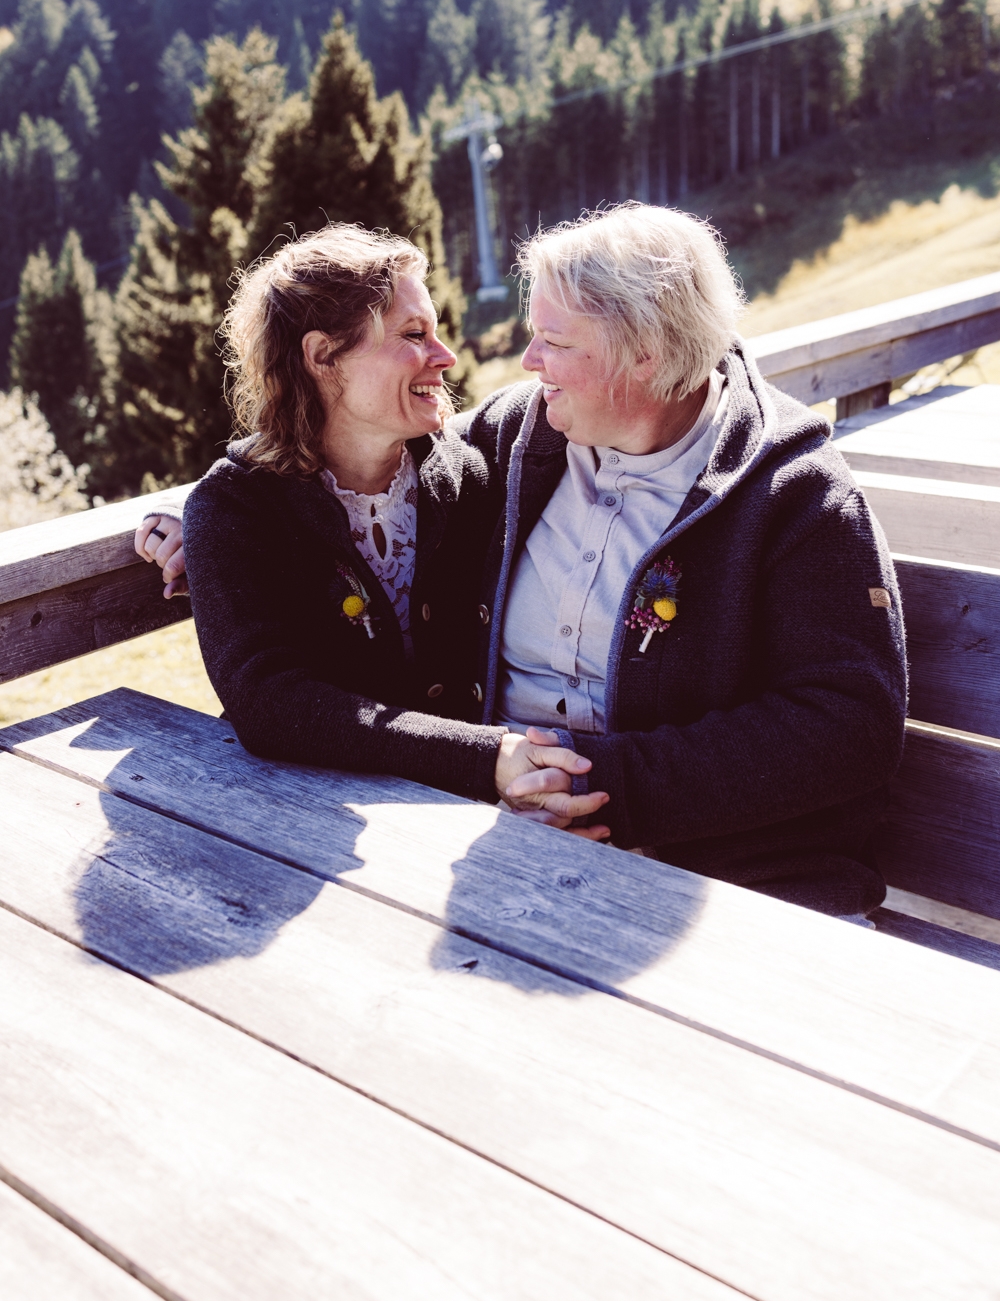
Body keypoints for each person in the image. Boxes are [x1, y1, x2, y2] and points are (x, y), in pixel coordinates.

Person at [452, 203, 907, 918]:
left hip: (723, 881)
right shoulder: (515, 433)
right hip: (502, 842)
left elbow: (848, 725)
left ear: (648, 354)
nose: (529, 361)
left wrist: (603, 788)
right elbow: (364, 473)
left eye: (552, 340)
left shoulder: (794, 493)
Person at [136, 224, 609, 830]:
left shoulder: (463, 476)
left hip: (471, 819)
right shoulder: (236, 508)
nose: (445, 357)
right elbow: (269, 703)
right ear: (322, 355)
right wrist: (484, 759)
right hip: (302, 830)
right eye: (413, 335)